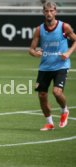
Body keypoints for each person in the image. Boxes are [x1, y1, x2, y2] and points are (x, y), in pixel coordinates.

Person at [29, 1, 76, 131]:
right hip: (45, 67)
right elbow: (31, 49)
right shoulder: (39, 29)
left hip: (61, 65)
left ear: (55, 12)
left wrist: (68, 52)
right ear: (43, 12)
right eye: (46, 11)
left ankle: (64, 110)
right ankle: (49, 123)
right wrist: (35, 53)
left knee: (56, 92)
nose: (49, 13)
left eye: (51, 11)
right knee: (42, 95)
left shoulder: (64, 27)